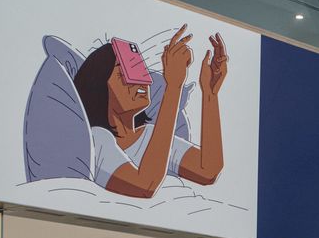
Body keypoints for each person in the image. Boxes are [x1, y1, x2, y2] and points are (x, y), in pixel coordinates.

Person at [72, 25, 230, 198]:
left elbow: (208, 170)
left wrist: (210, 94)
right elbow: (145, 185)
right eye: (124, 73)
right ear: (100, 85)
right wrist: (173, 87)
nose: (140, 81)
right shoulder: (96, 139)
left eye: (140, 70)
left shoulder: (150, 135)